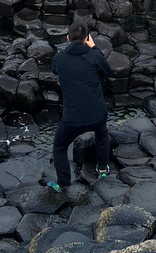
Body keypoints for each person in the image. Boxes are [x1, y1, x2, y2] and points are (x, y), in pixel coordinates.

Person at [47, 20, 112, 192]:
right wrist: (94, 48)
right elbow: (108, 71)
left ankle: (63, 183)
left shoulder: (60, 58)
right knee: (102, 134)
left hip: (72, 119)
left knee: (59, 148)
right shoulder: (94, 55)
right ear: (86, 38)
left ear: (67, 38)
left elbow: (54, 70)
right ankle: (103, 168)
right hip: (97, 115)